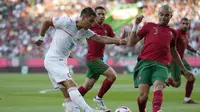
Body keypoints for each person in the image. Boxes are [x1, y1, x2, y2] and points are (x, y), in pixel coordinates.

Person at [35, 7, 126, 112]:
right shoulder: (66, 22)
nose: (91, 24)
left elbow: (101, 38)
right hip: (53, 60)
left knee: (68, 96)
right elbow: (47, 21)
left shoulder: (84, 31)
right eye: (90, 21)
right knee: (71, 85)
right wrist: (41, 38)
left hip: (61, 61)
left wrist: (118, 41)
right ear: (83, 18)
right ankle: (89, 110)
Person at [127, 5, 194, 112]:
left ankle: (156, 110)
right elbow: (131, 42)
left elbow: (174, 52)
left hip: (162, 65)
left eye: (167, 15)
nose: (163, 17)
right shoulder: (149, 26)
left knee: (158, 87)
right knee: (143, 97)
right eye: (161, 15)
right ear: (158, 15)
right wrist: (135, 25)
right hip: (145, 63)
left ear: (171, 16)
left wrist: (184, 70)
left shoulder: (173, 32)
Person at [77, 6, 117, 110]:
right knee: (112, 76)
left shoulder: (107, 27)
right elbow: (76, 34)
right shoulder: (89, 26)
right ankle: (98, 98)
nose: (101, 16)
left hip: (99, 59)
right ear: (94, 16)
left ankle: (72, 102)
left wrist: (122, 38)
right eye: (98, 14)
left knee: (87, 85)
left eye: (103, 14)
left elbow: (116, 40)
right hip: (92, 59)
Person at [168, 17, 199, 104]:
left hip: (182, 60)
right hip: (174, 61)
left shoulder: (186, 34)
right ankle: (164, 79)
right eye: (183, 23)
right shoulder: (176, 33)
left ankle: (187, 99)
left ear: (189, 25)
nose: (185, 25)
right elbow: (169, 45)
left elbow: (187, 45)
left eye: (187, 24)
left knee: (191, 77)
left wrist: (196, 51)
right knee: (177, 84)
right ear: (180, 24)